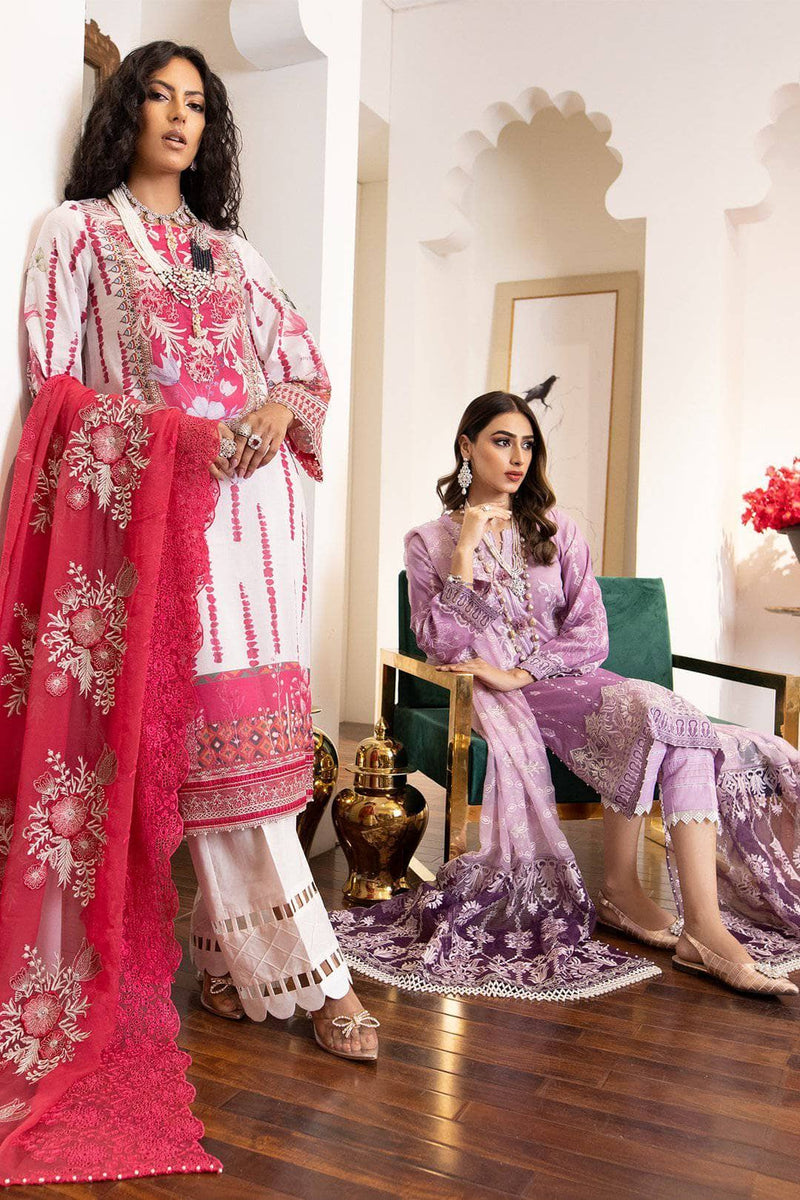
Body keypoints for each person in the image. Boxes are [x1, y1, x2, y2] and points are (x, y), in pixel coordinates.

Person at [0, 40, 375, 1188]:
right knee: (198, 741)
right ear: (124, 114)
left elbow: (303, 370)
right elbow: (54, 390)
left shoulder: (236, 254)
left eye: (196, 103)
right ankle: (317, 976)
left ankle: (229, 965)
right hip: (154, 515)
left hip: (252, 528)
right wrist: (169, 438)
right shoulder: (77, 234)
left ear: (211, 130)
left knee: (249, 749)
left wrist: (273, 408)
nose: (177, 116)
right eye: (157, 97)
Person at [332, 390, 800, 1002]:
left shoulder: (555, 529)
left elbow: (591, 633)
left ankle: (686, 921)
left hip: (562, 681)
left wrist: (522, 671)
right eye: (502, 441)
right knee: (665, 718)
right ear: (467, 447)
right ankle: (652, 907)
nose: (518, 457)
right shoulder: (429, 540)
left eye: (527, 444)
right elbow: (443, 643)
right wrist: (466, 549)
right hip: (500, 700)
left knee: (677, 725)